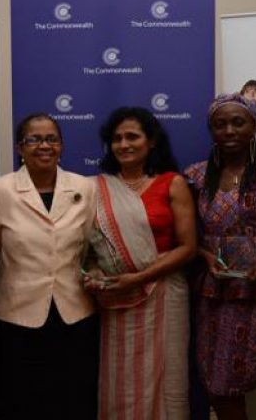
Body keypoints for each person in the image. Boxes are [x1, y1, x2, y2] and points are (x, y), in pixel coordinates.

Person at [185, 93, 256, 420]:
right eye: (220, 124)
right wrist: (205, 256)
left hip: (253, 289)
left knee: (230, 381)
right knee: (209, 377)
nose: (229, 130)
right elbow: (190, 236)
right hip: (211, 288)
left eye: (238, 122)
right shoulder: (195, 175)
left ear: (255, 125)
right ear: (211, 130)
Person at [82, 107, 197, 419]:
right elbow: (89, 250)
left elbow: (188, 248)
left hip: (164, 293)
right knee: (120, 375)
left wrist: (138, 278)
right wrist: (95, 275)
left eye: (132, 136)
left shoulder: (172, 183)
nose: (124, 144)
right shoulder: (96, 188)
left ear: (152, 141)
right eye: (116, 138)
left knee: (166, 373)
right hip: (116, 295)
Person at [0, 113, 98, 419]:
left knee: (72, 398)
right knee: (20, 400)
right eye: (33, 139)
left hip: (74, 314)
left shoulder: (84, 187)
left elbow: (88, 247)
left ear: (61, 145)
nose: (43, 146)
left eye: (51, 139)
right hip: (16, 316)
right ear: (20, 148)